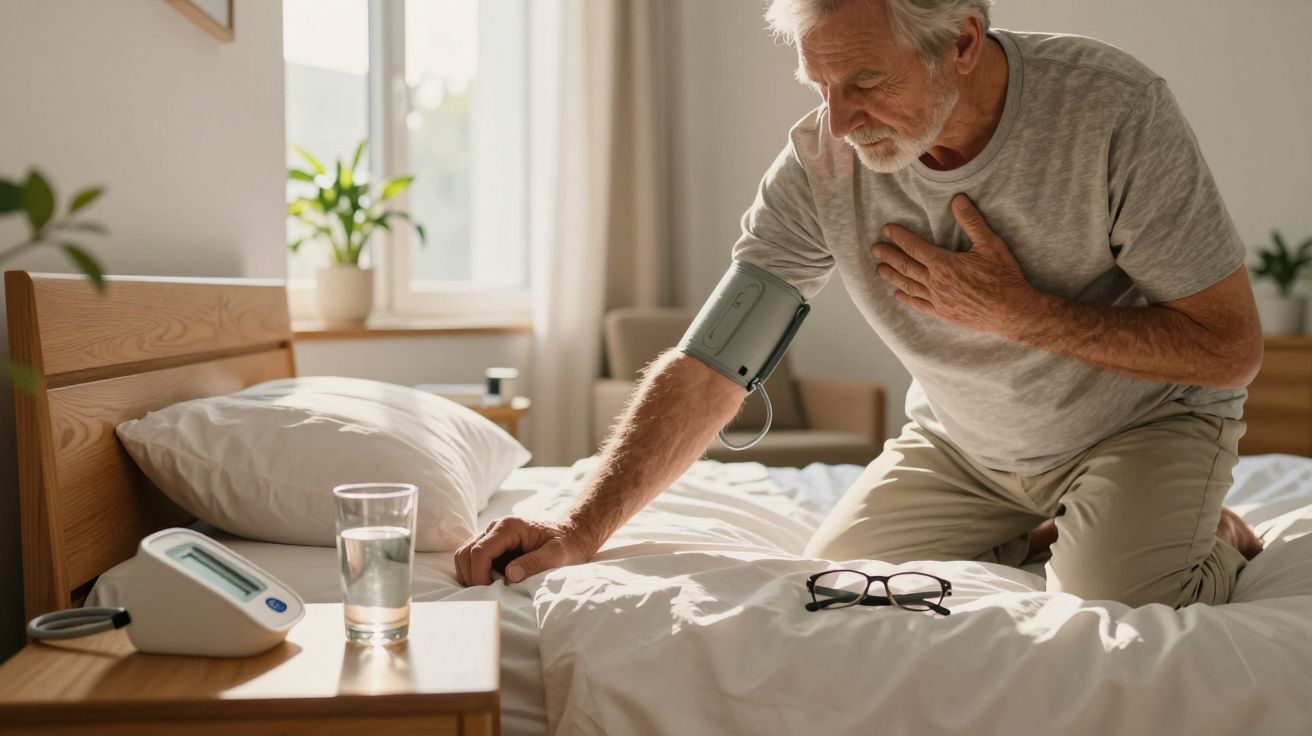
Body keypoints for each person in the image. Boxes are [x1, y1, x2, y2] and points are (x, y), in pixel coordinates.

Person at [456, 0, 1266, 607]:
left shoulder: (1113, 108)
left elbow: (1230, 348)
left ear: (962, 41)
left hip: (1142, 427)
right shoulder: (820, 162)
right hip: (966, 449)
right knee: (839, 591)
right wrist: (580, 526)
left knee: (1110, 599)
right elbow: (715, 361)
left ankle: (1207, 534)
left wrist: (1026, 315)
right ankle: (1046, 522)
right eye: (821, 85)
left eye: (866, 82)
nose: (838, 121)